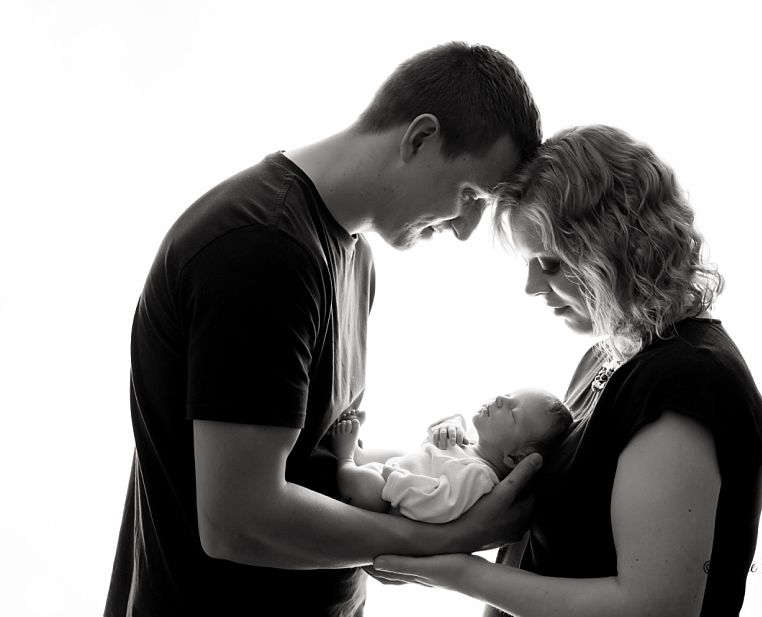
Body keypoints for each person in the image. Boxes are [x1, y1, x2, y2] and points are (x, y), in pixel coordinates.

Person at [104, 42, 543, 617]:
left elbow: (309, 456)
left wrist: (457, 474)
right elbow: (238, 522)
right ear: (419, 138)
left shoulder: (350, 252)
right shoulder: (262, 248)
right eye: (470, 198)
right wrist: (448, 542)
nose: (464, 231)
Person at [371, 125, 762, 617]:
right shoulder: (609, 357)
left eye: (552, 264)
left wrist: (457, 572)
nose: (531, 286)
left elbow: (655, 607)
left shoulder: (687, 382)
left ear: (617, 248)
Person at [331, 388, 572, 522]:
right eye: (508, 395)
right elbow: (431, 437)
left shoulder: (478, 477)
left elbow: (437, 505)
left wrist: (394, 479)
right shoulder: (472, 445)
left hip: (387, 499)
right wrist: (451, 425)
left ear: (515, 458)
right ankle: (359, 453)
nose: (500, 399)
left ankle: (346, 459)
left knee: (367, 486)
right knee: (402, 452)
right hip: (398, 471)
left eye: (513, 412)